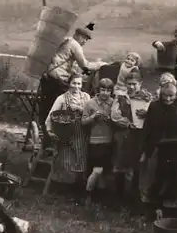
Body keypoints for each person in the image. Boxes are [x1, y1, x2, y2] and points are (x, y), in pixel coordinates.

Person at [39, 23, 106, 149]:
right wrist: (100, 64)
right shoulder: (75, 45)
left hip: (48, 77)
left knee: (47, 108)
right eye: (84, 38)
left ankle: (47, 140)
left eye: (87, 39)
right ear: (78, 35)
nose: (85, 41)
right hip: (57, 80)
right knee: (66, 107)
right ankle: (64, 139)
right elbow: (85, 65)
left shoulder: (65, 41)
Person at [138, 82, 177, 208]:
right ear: (160, 95)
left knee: (169, 169)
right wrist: (144, 149)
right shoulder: (154, 106)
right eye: (165, 96)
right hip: (156, 144)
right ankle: (150, 202)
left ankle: (169, 202)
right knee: (151, 170)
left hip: (176, 146)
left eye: (171, 96)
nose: (168, 99)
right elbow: (147, 128)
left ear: (176, 95)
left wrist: (173, 142)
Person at [45, 72, 91, 203]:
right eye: (74, 83)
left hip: (82, 133)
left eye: (79, 84)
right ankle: (63, 189)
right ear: (69, 84)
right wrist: (49, 130)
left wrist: (79, 109)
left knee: (81, 160)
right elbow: (51, 115)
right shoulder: (62, 98)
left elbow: (90, 112)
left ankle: (78, 191)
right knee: (66, 160)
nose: (76, 86)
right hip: (66, 134)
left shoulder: (86, 97)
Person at [110, 69, 154, 207]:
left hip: (139, 136)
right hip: (124, 135)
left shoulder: (146, 98)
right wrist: (127, 121)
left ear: (140, 84)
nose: (131, 87)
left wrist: (147, 114)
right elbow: (114, 115)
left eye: (134, 84)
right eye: (129, 84)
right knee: (120, 164)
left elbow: (153, 116)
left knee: (137, 166)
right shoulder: (121, 97)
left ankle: (134, 198)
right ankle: (118, 197)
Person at [81, 78, 115, 206]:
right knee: (97, 170)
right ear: (98, 90)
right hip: (95, 141)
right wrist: (93, 117)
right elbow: (83, 122)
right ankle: (87, 193)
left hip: (109, 141)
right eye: (103, 90)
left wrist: (110, 119)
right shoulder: (90, 103)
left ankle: (100, 196)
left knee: (104, 171)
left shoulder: (114, 102)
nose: (105, 93)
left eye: (108, 90)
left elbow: (117, 120)